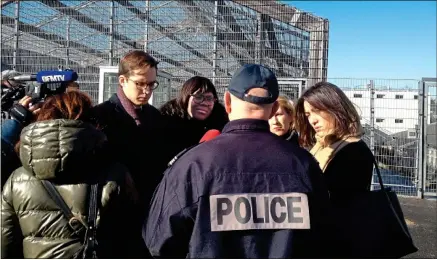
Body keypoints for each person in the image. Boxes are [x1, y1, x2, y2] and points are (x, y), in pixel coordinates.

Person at [144, 64, 331, 258]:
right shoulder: (304, 164)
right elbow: (324, 235)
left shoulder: (193, 164)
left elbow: (158, 241)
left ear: (227, 102)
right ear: (274, 107)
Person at [1, 91, 143, 258]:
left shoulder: (17, 179)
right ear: (90, 121)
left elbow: (5, 244)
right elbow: (131, 237)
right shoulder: (114, 174)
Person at [294, 81, 374, 199]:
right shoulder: (321, 145)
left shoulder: (354, 150)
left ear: (336, 108)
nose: (312, 120)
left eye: (317, 110)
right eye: (308, 114)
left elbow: (340, 202)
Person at [159, 76, 228, 161]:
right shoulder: (166, 120)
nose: (205, 103)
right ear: (186, 97)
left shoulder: (221, 122)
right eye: (198, 97)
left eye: (209, 98)